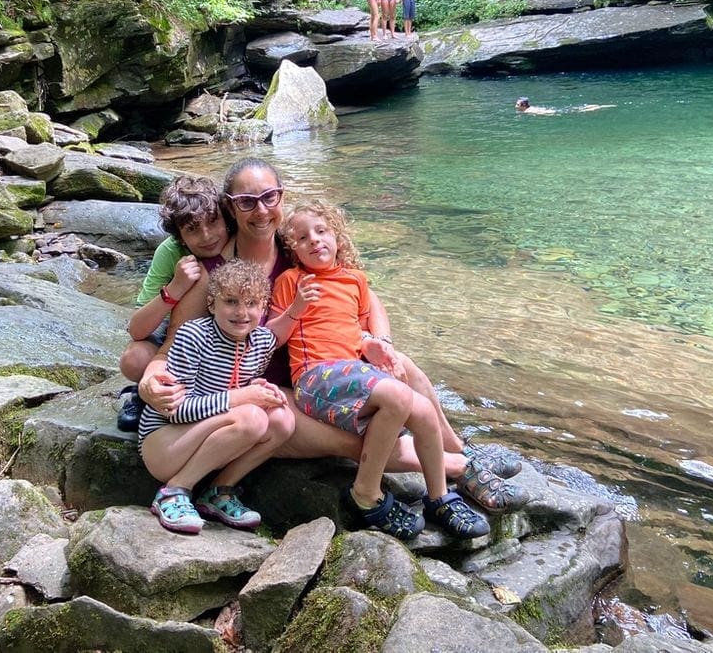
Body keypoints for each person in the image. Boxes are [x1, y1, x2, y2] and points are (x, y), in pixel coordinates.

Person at [138, 158, 528, 513]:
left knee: (404, 368)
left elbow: (364, 294)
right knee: (355, 444)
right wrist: (150, 383)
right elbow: (173, 346)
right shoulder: (215, 271)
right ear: (230, 205)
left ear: (281, 197)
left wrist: (379, 341)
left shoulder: (297, 246)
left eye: (269, 197)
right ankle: (459, 468)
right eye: (246, 201)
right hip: (268, 391)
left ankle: (462, 451)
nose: (260, 210)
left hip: (320, 366)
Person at [271, 200, 512, 540]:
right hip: (316, 377)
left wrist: (373, 343)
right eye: (302, 238)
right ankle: (365, 494)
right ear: (293, 250)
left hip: (352, 371)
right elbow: (272, 335)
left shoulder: (355, 281)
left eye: (321, 231)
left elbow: (351, 326)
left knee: (424, 408)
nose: (314, 240)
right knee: (399, 395)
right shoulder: (291, 280)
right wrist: (296, 307)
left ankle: (439, 497)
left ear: (337, 237)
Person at [138, 260, 312, 534]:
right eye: (231, 301)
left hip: (208, 443)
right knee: (252, 416)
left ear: (263, 308)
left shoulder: (259, 343)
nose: (242, 312)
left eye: (252, 303)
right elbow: (175, 410)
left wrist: (261, 390)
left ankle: (218, 492)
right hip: (164, 445)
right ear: (211, 304)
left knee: (283, 419)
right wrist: (244, 396)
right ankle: (173, 491)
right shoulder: (193, 336)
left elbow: (276, 334)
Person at [116, 175, 230, 432]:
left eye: (213, 222)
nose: (207, 236)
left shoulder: (237, 241)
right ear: (179, 236)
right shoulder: (169, 252)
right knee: (133, 359)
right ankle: (145, 394)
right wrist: (175, 288)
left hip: (224, 330)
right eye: (192, 229)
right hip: (176, 334)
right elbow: (137, 330)